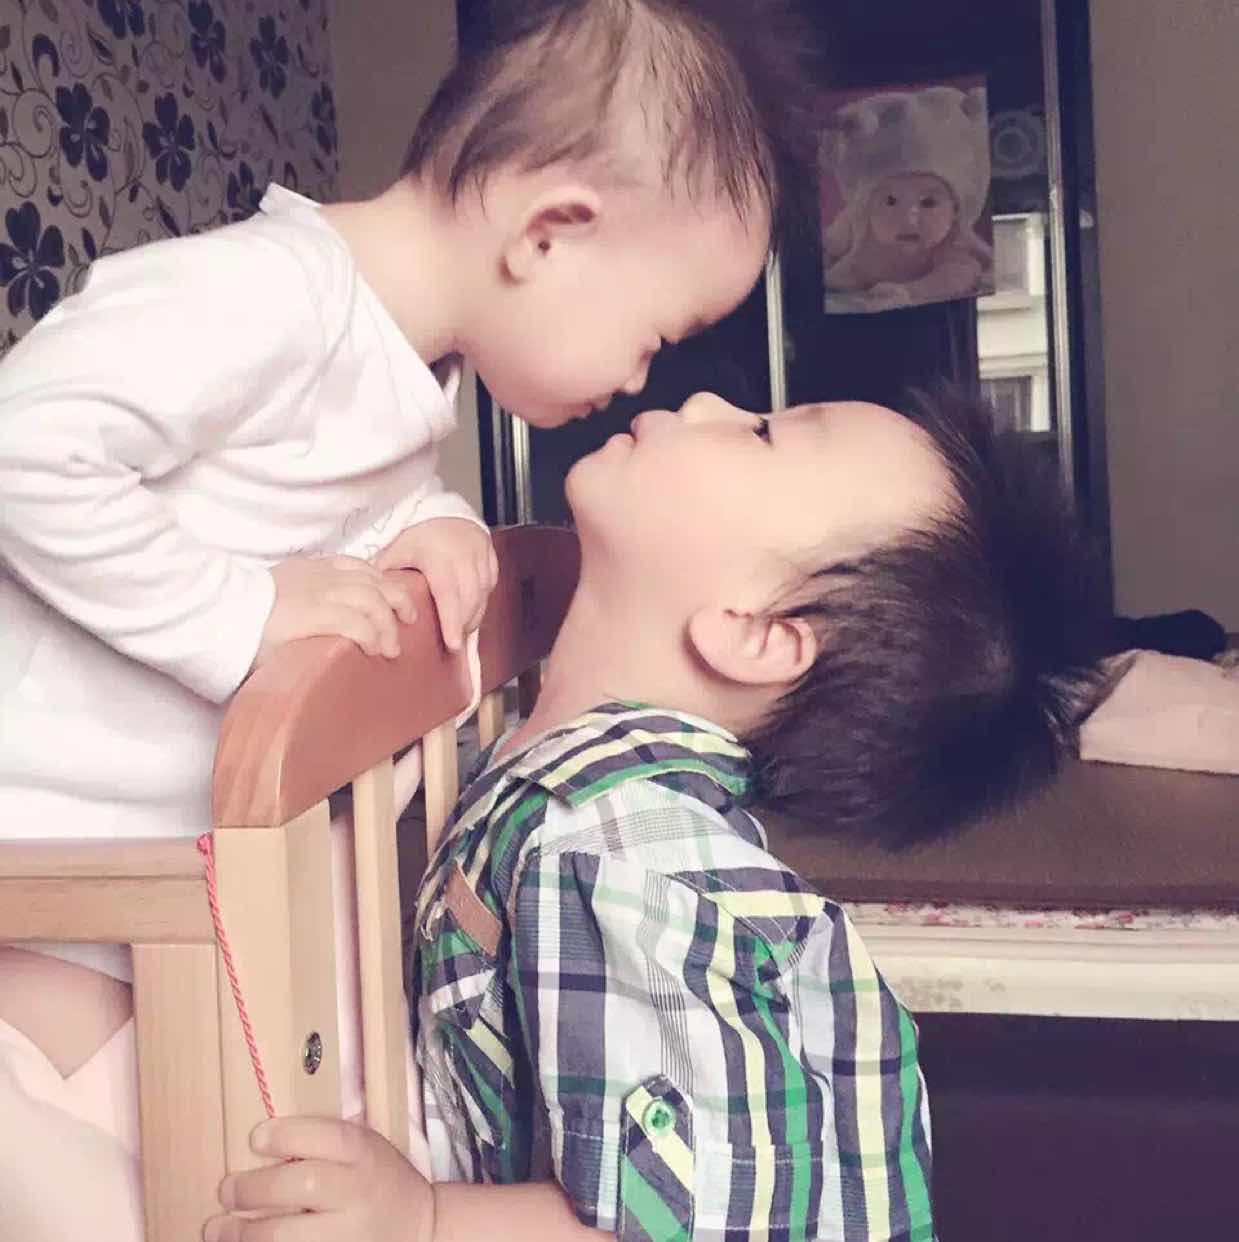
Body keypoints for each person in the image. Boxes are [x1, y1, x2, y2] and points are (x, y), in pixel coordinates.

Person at [0, 2, 819, 1236]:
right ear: (549, 234)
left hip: (164, 871)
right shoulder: (269, 295)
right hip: (54, 843)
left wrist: (423, 521)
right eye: (655, 336)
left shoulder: (394, 365)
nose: (642, 382)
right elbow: (26, 448)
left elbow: (304, 489)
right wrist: (244, 613)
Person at [206, 386, 1106, 1242]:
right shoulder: (555, 780)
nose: (709, 404)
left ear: (756, 632)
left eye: (761, 433)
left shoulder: (632, 860)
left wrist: (426, 1222)